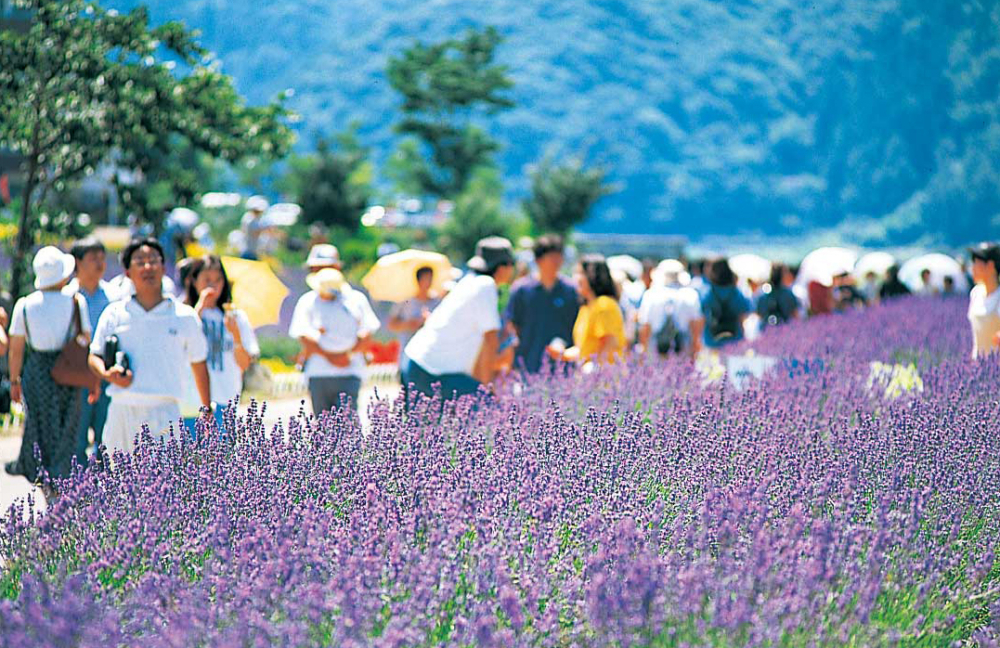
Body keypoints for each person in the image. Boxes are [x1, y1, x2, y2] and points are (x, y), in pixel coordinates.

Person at [88, 239, 211, 454]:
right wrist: (108, 374)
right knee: (119, 475)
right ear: (128, 272)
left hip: (165, 410)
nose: (148, 267)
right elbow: (94, 356)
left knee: (165, 475)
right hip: (122, 409)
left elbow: (199, 363)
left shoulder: (184, 316)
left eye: (154, 261)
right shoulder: (114, 314)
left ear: (163, 268)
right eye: (140, 262)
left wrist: (206, 409)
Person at [6, 246, 91, 482]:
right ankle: (61, 473)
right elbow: (86, 338)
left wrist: (14, 380)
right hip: (67, 368)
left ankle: (41, 474)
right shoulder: (76, 301)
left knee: (38, 423)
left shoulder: (25, 304)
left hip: (37, 369)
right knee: (67, 423)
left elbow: (16, 349)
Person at [402, 237, 516, 399]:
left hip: (418, 365)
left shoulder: (470, 282)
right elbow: (490, 339)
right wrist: (487, 388)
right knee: (487, 408)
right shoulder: (485, 285)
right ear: (502, 267)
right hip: (432, 370)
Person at [182, 255, 260, 431]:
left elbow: (245, 364)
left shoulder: (236, 317)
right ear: (194, 281)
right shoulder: (185, 313)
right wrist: (199, 309)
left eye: (218, 280)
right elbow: (179, 347)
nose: (213, 286)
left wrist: (236, 335)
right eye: (207, 280)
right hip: (191, 402)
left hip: (226, 399)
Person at [289, 267, 380, 414]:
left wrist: (347, 355)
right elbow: (303, 335)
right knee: (322, 421)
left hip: (350, 371)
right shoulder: (308, 301)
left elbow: (367, 333)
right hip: (319, 372)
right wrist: (332, 357)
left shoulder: (355, 300)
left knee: (347, 420)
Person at [66, 238, 113, 466]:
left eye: (102, 258)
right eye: (93, 258)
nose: (100, 263)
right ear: (78, 262)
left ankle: (105, 481)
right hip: (77, 371)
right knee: (77, 432)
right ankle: (77, 481)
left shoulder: (113, 295)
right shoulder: (67, 296)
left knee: (107, 432)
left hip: (106, 370)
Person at [504, 234, 579, 373]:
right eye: (552, 257)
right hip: (528, 365)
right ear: (538, 260)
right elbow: (512, 325)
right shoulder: (522, 290)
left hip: (563, 368)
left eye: (559, 257)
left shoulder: (571, 291)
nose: (557, 262)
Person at [549, 254, 626, 366]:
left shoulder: (604, 305)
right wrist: (563, 353)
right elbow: (584, 349)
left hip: (604, 374)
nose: (576, 278)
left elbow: (610, 343)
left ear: (594, 275)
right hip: (587, 373)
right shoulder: (586, 308)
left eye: (580, 273)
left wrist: (594, 367)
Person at [638, 260, 703, 358]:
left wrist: (644, 350)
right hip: (683, 348)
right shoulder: (690, 294)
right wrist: (694, 348)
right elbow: (696, 325)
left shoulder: (651, 295)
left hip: (656, 349)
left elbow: (645, 326)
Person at [387, 266, 442, 349]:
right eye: (426, 278)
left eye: (430, 278)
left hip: (429, 348)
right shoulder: (405, 301)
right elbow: (391, 324)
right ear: (418, 280)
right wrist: (409, 324)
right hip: (407, 347)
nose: (428, 282)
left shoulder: (437, 302)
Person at [701, 258, 751, 348]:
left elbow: (702, 317)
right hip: (735, 340)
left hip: (712, 341)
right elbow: (743, 316)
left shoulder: (707, 293)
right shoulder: (737, 293)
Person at [968, 242, 1000, 359]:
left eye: (976, 263)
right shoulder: (975, 293)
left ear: (990, 265)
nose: (972, 268)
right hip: (978, 362)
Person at [755, 263, 799, 330]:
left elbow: (759, 314)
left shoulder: (763, 294)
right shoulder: (788, 294)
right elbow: (795, 315)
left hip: (766, 330)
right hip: (785, 330)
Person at [239, 195, 270, 260]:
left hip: (252, 251)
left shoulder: (253, 218)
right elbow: (254, 233)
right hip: (248, 251)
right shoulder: (250, 219)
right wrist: (265, 229)